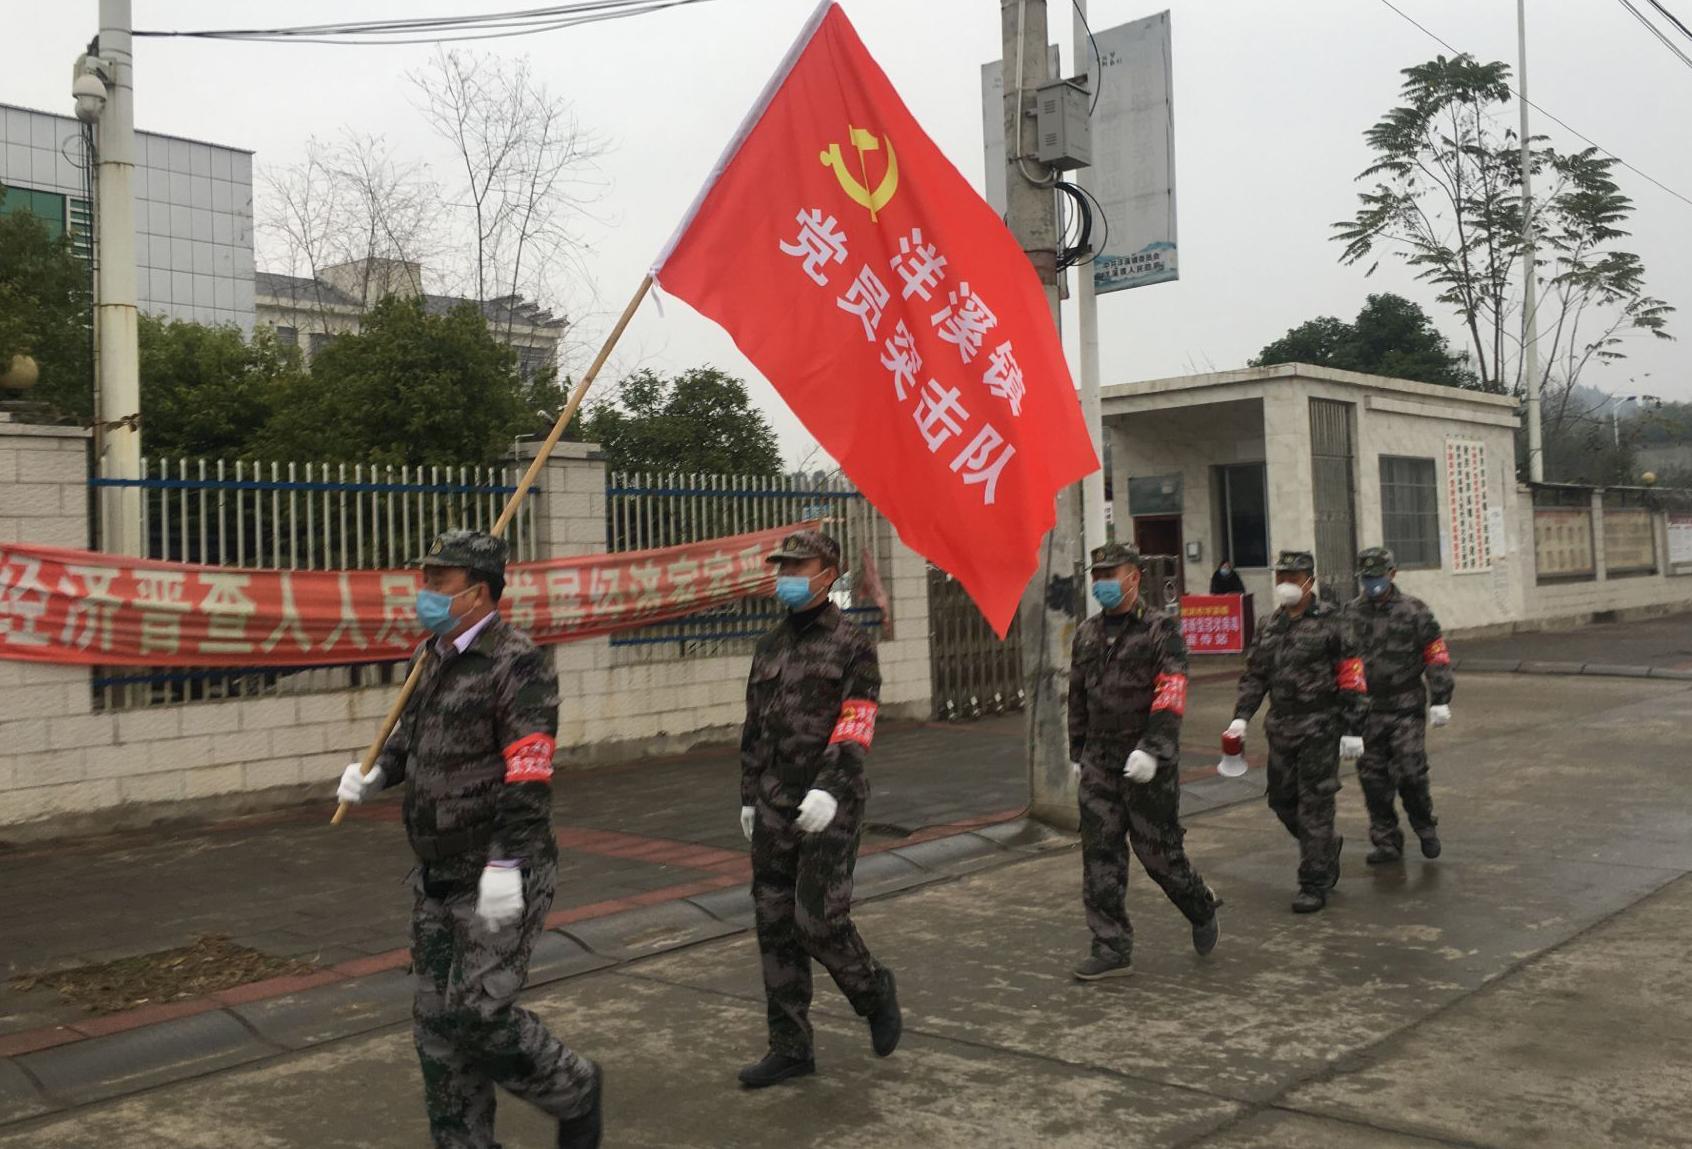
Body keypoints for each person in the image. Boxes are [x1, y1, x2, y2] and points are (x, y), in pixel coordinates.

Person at [335, 528, 602, 1149]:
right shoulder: (429, 656)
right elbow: (408, 740)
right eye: (425, 578)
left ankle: (573, 1087)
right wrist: (376, 774)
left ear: (477, 592)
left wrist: (507, 864)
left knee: (479, 1015)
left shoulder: (518, 663)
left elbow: (529, 771)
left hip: (497, 870)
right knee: (436, 1027)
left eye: (439, 581)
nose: (425, 591)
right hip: (436, 872)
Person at [735, 529, 901, 1089]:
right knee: (774, 923)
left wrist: (829, 787)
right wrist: (749, 796)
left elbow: (857, 721)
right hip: (774, 800)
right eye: (781, 566)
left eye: (797, 566)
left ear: (827, 575)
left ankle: (872, 990)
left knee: (817, 920)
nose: (785, 575)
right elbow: (754, 729)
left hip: (833, 801)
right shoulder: (770, 645)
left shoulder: (853, 643)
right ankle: (790, 1047)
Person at [1068, 543, 1220, 980]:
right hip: (1099, 762)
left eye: (1109, 574)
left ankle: (1200, 905)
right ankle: (1111, 946)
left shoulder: (1160, 630)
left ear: (1133, 577)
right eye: (1096, 575)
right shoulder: (1087, 633)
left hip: (1147, 764)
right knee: (1100, 853)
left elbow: (1171, 690)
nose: (1101, 582)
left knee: (1159, 856)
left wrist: (1153, 748)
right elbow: (1077, 696)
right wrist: (1078, 752)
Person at [1228, 550, 1369, 914]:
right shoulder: (1269, 624)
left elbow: (1351, 675)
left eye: (1293, 577)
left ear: (1310, 581)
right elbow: (1255, 675)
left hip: (1321, 726)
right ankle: (1325, 846)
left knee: (1315, 805)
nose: (1286, 584)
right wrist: (1241, 717)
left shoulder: (1334, 621)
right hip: (1280, 727)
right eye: (1281, 577)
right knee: (1281, 800)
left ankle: (1314, 882)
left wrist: (1353, 728)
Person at [1343, 547, 1454, 864]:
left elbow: (1435, 655)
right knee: (1373, 779)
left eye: (1377, 576)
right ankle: (1386, 840)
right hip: (1367, 710)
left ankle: (1424, 825)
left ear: (1392, 574)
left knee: (1410, 772)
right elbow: (1341, 662)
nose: (1372, 583)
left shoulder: (1414, 611)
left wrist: (1440, 698)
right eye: (1366, 577)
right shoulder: (1350, 614)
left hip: (1405, 706)